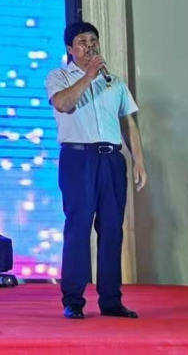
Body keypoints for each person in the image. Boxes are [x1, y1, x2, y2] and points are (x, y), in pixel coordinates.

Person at [45, 21, 147, 320]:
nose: (90, 46)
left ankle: (111, 300)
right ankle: (74, 300)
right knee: (78, 228)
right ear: (70, 49)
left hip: (112, 160)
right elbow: (63, 104)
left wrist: (138, 160)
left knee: (112, 229)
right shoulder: (59, 76)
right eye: (82, 42)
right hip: (79, 159)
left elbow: (128, 123)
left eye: (93, 41)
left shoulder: (114, 81)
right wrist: (89, 76)